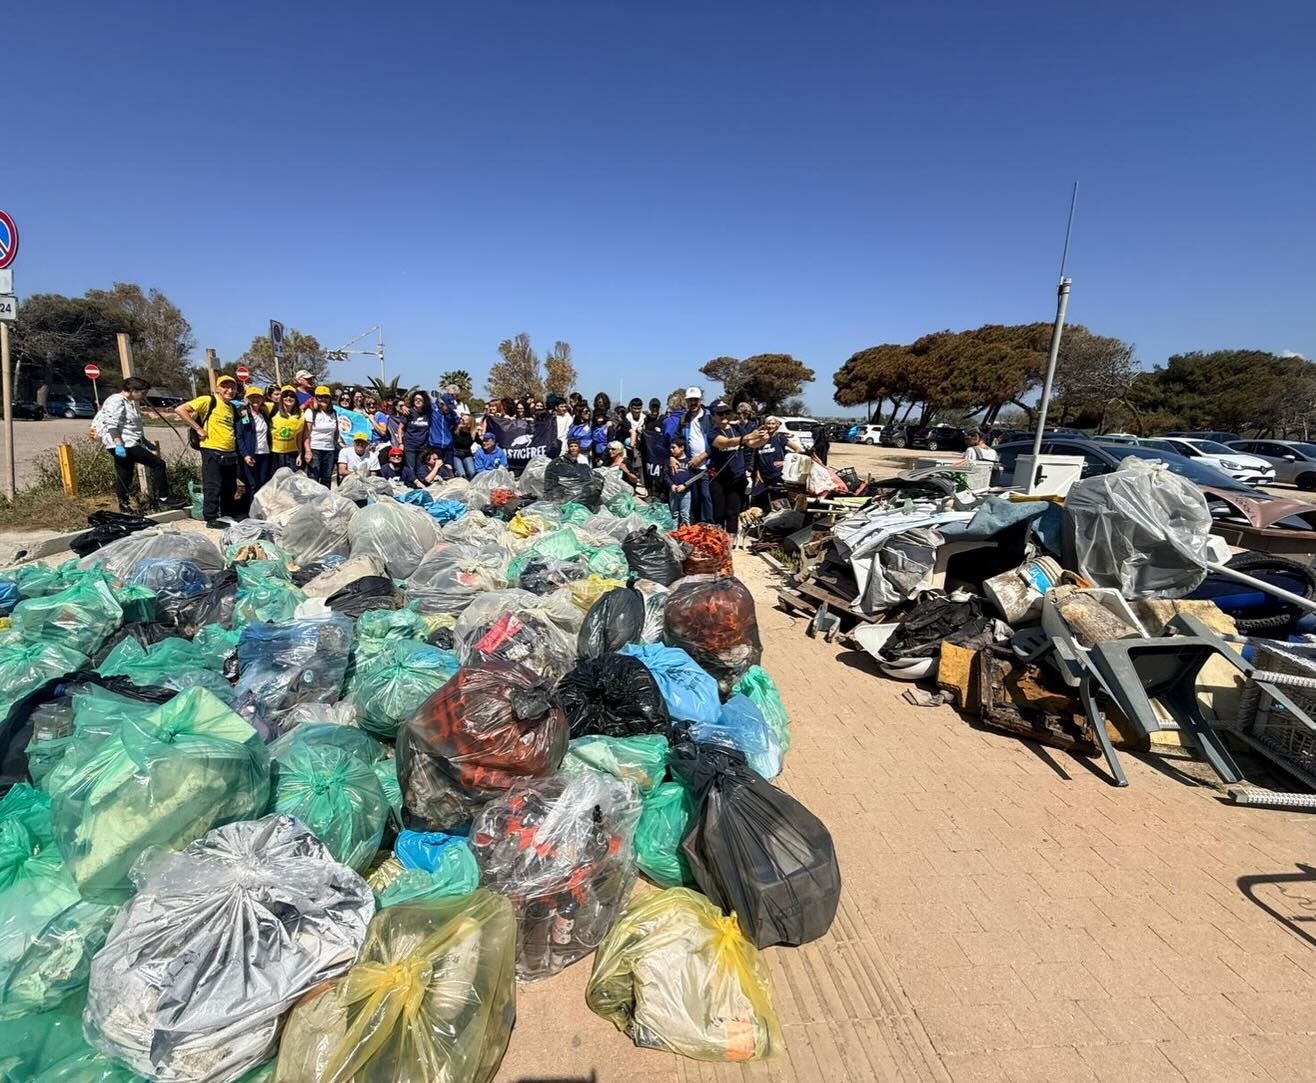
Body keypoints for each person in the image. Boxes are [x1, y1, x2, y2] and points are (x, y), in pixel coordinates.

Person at [97, 375, 183, 512]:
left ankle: (124, 506)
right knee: (158, 464)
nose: (144, 396)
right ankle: (164, 498)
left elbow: (131, 427)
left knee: (125, 474)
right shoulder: (116, 401)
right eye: (143, 393)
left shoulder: (128, 402)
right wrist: (118, 444)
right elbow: (112, 424)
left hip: (128, 442)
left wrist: (146, 443)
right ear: (132, 390)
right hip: (124, 444)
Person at [177, 375, 242, 528]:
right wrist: (198, 429)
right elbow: (180, 410)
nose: (229, 390)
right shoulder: (208, 401)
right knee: (213, 485)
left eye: (232, 388)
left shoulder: (232, 407)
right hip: (211, 449)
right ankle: (211, 517)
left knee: (229, 486)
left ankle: (226, 515)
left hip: (229, 452)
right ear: (217, 388)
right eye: (225, 386)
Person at [707, 402, 768, 534]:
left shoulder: (738, 428)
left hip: (737, 478)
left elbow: (752, 444)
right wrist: (747, 437)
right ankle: (718, 542)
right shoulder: (712, 432)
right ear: (713, 416)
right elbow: (725, 443)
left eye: (727, 413)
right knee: (718, 514)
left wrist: (763, 438)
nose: (724, 416)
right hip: (719, 478)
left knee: (732, 513)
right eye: (720, 413)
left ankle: (730, 545)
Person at [677, 386, 713, 522]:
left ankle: (708, 524)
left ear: (700, 400)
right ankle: (696, 526)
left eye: (695, 400)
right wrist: (673, 457)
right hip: (691, 465)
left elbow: (715, 441)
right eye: (690, 400)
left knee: (706, 497)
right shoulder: (684, 419)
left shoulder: (709, 417)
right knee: (694, 498)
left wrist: (702, 456)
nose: (693, 403)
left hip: (707, 464)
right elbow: (678, 439)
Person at [754, 416, 806, 505]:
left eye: (773, 424)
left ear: (777, 426)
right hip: (763, 476)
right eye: (768, 423)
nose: (770, 426)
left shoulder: (780, 438)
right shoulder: (760, 439)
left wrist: (785, 462)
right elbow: (757, 458)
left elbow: (798, 449)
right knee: (761, 502)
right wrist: (757, 473)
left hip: (777, 475)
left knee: (778, 501)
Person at [236, 386, 273, 505]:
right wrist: (245, 455)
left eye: (258, 397)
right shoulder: (243, 414)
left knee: (263, 483)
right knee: (253, 485)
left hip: (265, 453)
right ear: (248, 399)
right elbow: (240, 436)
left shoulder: (265, 414)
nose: (255, 400)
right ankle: (252, 511)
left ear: (262, 399)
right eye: (252, 397)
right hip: (251, 455)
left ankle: (261, 509)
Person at [303, 385, 342, 487]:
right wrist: (307, 451)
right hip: (315, 449)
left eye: (326, 396)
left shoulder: (333, 413)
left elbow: (336, 433)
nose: (323, 399)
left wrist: (341, 444)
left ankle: (326, 501)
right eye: (320, 397)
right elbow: (307, 434)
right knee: (313, 479)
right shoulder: (310, 412)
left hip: (329, 450)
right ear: (316, 398)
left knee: (327, 478)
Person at [269, 386, 306, 473]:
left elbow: (299, 437)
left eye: (292, 396)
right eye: (285, 395)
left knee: (291, 480)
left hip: (292, 454)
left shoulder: (300, 415)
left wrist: (299, 455)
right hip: (275, 454)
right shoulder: (272, 409)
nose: (288, 398)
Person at [666, 436, 695, 526]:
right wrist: (671, 485)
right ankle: (673, 535)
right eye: (670, 448)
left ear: (682, 448)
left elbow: (692, 476)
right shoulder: (670, 461)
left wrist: (685, 485)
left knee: (685, 515)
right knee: (674, 514)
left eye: (674, 447)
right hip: (673, 491)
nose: (671, 450)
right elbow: (666, 475)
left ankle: (686, 535)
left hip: (685, 492)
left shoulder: (689, 461)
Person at [401, 390, 432, 476]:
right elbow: (400, 428)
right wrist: (400, 442)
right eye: (416, 399)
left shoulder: (428, 413)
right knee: (411, 468)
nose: (418, 401)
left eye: (420, 400)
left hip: (423, 447)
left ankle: (420, 486)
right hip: (410, 445)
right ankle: (411, 486)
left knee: (420, 468)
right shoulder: (409, 412)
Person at [427, 389, 457, 467]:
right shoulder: (433, 409)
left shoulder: (451, 413)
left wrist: (449, 414)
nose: (449, 408)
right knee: (436, 466)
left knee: (449, 467)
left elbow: (457, 421)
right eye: (447, 406)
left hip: (448, 445)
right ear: (442, 404)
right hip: (435, 444)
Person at [451, 414, 477, 478]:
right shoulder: (455, 429)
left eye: (463, 420)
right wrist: (458, 428)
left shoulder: (473, 433)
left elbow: (481, 442)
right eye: (461, 419)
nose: (461, 421)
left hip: (467, 454)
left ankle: (470, 485)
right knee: (462, 474)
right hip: (456, 453)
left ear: (469, 423)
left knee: (472, 472)